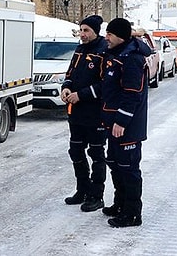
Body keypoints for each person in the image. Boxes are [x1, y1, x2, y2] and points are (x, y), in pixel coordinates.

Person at [100, 18, 151, 228]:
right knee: (115, 164)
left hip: (127, 127)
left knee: (128, 169)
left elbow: (132, 95)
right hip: (113, 124)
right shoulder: (117, 53)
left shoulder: (132, 58)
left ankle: (132, 213)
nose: (106, 38)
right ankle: (120, 204)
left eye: (110, 35)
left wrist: (121, 121)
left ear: (120, 36)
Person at [60, 15, 108, 212]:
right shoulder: (79, 49)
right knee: (76, 151)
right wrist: (66, 88)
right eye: (81, 30)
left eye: (86, 30)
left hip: (95, 113)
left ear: (96, 31)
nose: (82, 34)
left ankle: (97, 195)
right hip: (76, 113)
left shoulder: (104, 50)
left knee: (96, 154)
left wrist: (82, 95)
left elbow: (105, 84)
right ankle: (83, 189)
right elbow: (70, 74)